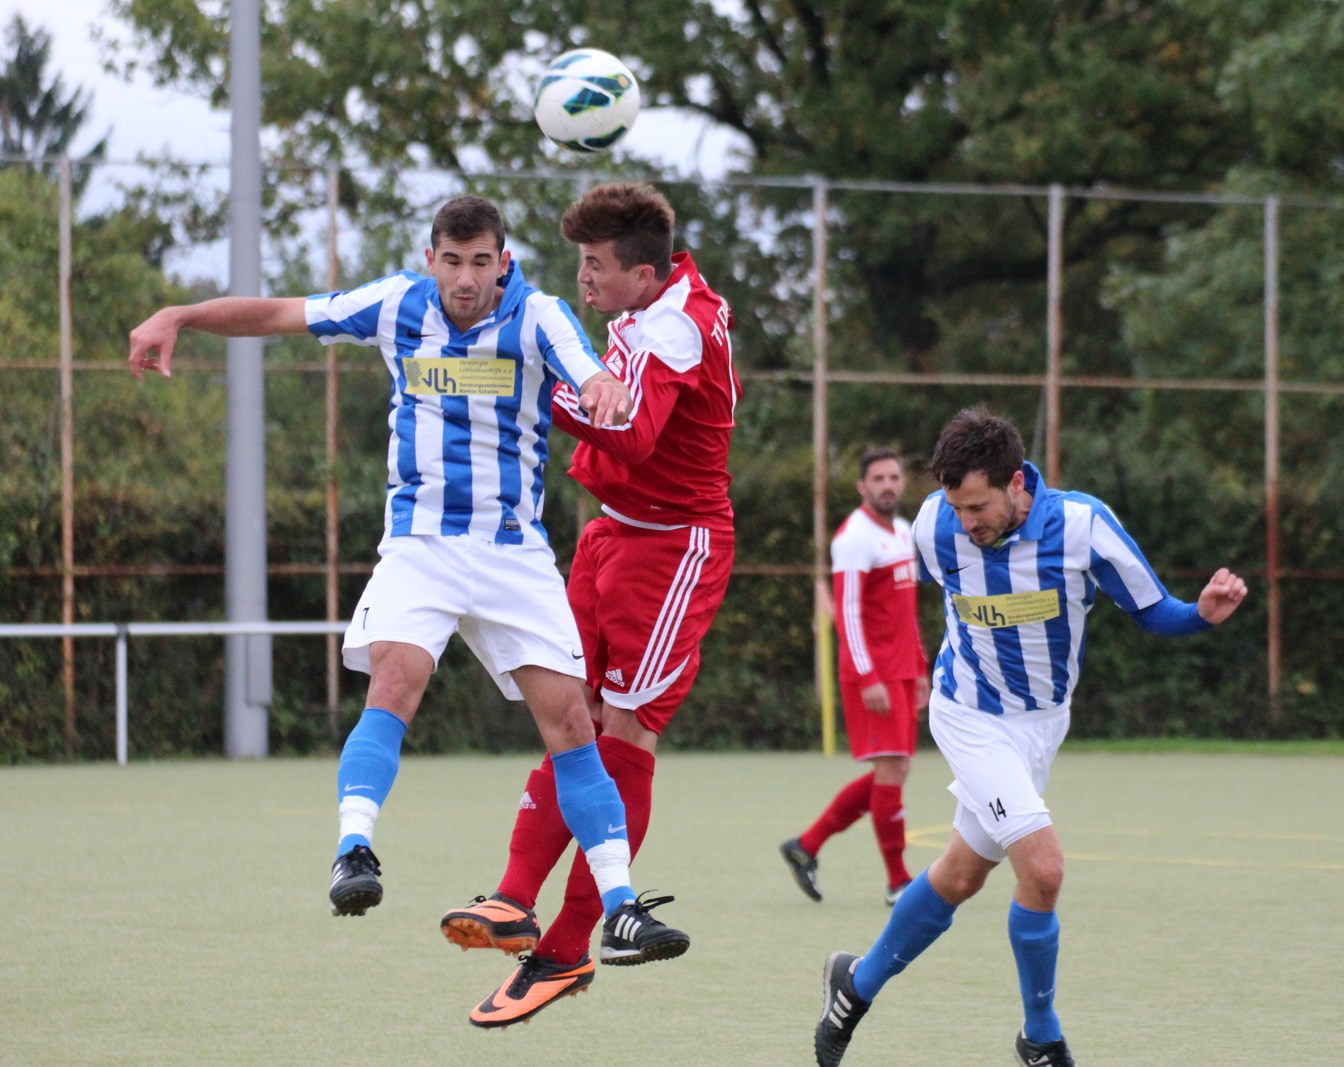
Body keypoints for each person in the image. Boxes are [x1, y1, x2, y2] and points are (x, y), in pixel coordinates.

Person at [126, 195, 686, 965]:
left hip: (512, 551)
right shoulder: (395, 304)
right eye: (451, 261)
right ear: (431, 259)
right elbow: (275, 314)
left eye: (480, 262)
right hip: (420, 544)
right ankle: (353, 850)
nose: (464, 278)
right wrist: (179, 314)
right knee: (395, 678)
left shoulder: (541, 315)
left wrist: (603, 388)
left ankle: (621, 904)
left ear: (503, 259)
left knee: (571, 724)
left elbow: (590, 373)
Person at [812, 407, 1248, 1067]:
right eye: (956, 507)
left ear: (1018, 483)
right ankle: (1039, 1035)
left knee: (959, 875)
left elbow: (1154, 610)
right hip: (968, 715)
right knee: (1043, 870)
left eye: (979, 506)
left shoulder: (1082, 527)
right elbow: (895, 594)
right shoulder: (934, 524)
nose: (966, 521)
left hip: (1042, 727)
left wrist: (1202, 615)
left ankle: (856, 982)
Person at [436, 181, 740, 1028]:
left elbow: (634, 432)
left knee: (624, 733)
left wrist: (536, 381)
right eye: (577, 262)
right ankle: (511, 899)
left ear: (644, 272)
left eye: (596, 265)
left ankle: (567, 947)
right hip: (612, 535)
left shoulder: (676, 323)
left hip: (675, 547)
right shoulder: (651, 300)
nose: (584, 278)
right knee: (571, 716)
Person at [781, 447, 929, 906]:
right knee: (890, 772)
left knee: (896, 771)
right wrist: (868, 677)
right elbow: (847, 613)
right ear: (862, 486)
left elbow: (905, 614)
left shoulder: (904, 532)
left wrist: (920, 667)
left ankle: (806, 846)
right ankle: (898, 881)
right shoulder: (854, 538)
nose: (888, 485)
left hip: (902, 671)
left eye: (894, 476)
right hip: (873, 674)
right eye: (878, 478)